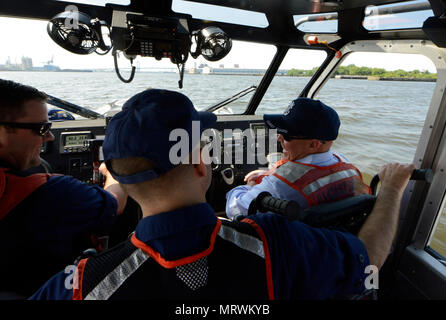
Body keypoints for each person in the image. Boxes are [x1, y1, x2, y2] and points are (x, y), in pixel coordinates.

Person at [30, 88, 414, 300]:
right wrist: (393, 189)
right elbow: (370, 262)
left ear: (113, 175)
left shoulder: (82, 283)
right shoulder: (277, 242)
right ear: (200, 167)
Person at [0, 79, 127, 297]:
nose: (49, 136)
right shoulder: (56, 192)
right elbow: (115, 204)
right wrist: (113, 175)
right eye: (41, 128)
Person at [226, 97, 371, 220]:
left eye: (287, 136)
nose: (278, 138)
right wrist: (270, 173)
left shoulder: (282, 184)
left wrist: (249, 186)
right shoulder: (343, 161)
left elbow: (234, 210)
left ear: (314, 145)